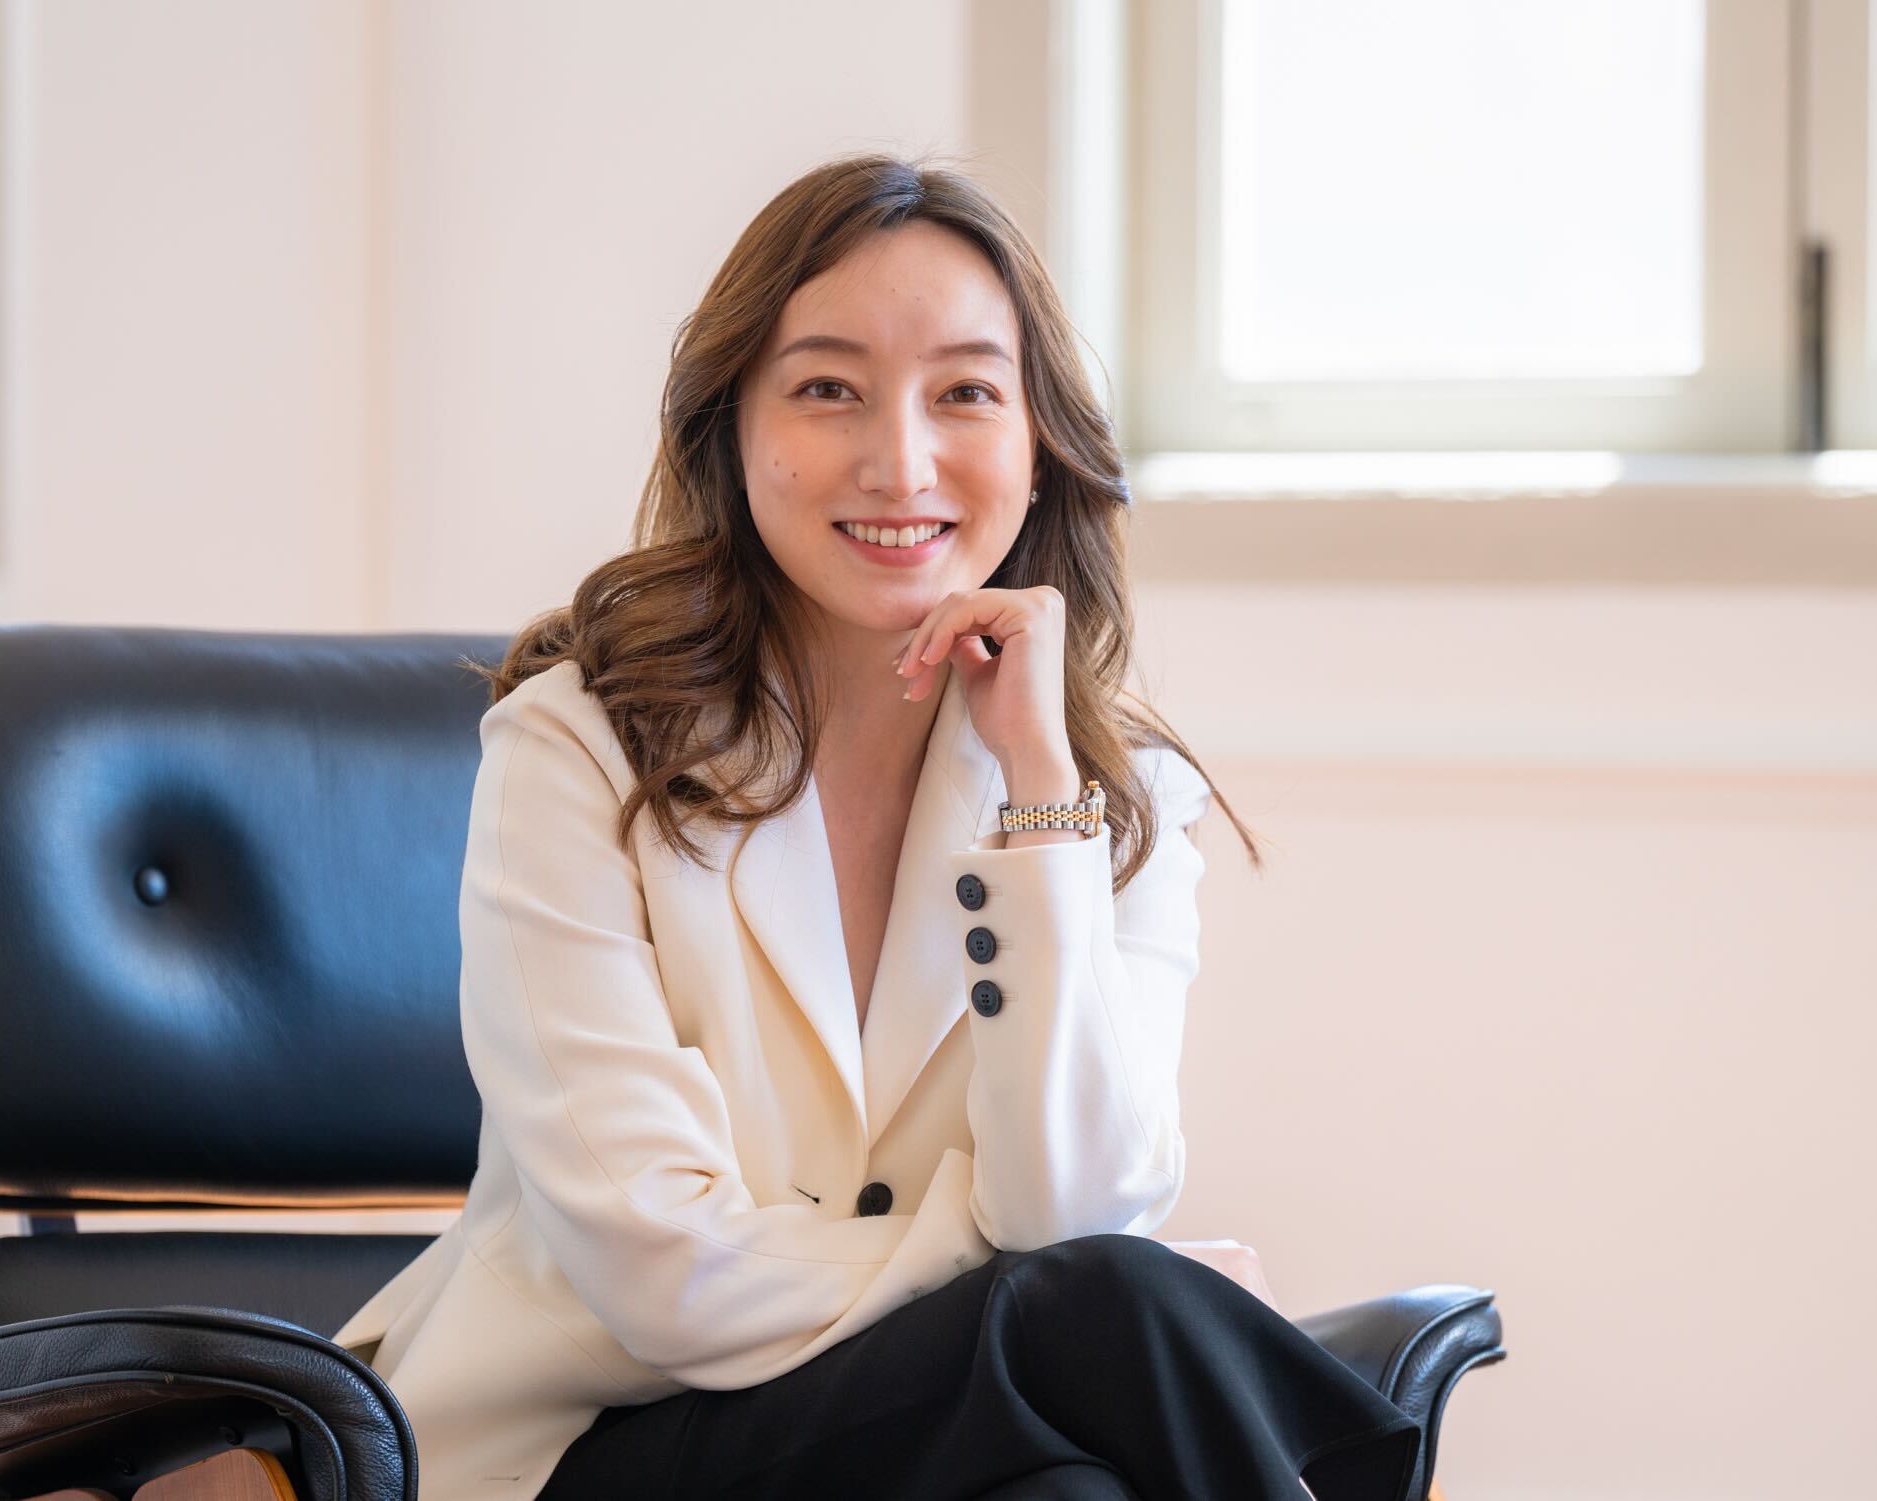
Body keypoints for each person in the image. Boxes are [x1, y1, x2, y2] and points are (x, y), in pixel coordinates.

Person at [331, 151, 1423, 1501]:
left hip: (940, 1442)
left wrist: (1036, 793)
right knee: (1106, 1306)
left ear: (1038, 441)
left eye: (964, 391)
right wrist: (1046, 1284)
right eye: (828, 388)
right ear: (733, 427)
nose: (897, 459)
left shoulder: (1110, 792)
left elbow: (1074, 1204)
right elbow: (667, 1276)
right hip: (588, 1447)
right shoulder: (579, 748)